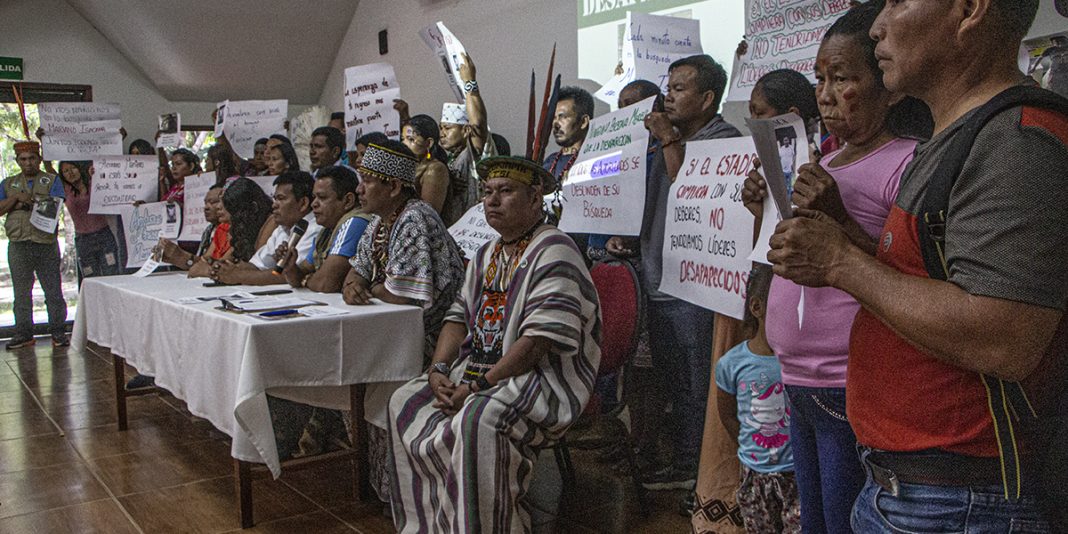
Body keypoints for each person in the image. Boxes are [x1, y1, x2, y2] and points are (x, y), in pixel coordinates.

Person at [769, 0, 1066, 531]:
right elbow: (916, 283)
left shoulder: (1015, 140)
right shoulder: (958, 139)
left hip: (958, 498)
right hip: (916, 485)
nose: (880, 25)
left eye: (898, 2)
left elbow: (1004, 338)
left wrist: (839, 259)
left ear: (970, 10)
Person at [745, 7, 931, 529]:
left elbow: (911, 278)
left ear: (889, 87)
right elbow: (783, 253)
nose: (824, 94)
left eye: (843, 78)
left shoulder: (906, 162)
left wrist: (839, 218)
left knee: (843, 518)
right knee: (816, 521)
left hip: (847, 380)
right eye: (820, 79)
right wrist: (760, 212)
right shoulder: (821, 163)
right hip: (797, 378)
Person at [388, 155, 600, 533]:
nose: (492, 201)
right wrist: (438, 370)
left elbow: (536, 344)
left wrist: (477, 386)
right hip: (478, 372)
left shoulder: (556, 250)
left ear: (535, 200)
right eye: (487, 192)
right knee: (404, 400)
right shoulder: (488, 253)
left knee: (478, 419)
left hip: (541, 377)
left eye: (506, 192)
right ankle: (438, 525)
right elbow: (457, 317)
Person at [622, 55, 741, 492]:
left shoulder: (723, 137)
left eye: (680, 88)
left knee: (698, 386)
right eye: (667, 86)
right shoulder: (660, 141)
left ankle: (698, 472)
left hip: (696, 288)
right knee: (672, 382)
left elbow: (689, 192)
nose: (668, 95)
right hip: (657, 278)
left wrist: (669, 138)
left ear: (708, 98)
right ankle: (682, 461)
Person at [342, 140, 465, 506]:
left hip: (437, 340)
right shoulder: (379, 223)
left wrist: (372, 287)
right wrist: (356, 287)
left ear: (394, 186)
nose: (359, 188)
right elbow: (354, 278)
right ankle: (382, 485)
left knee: (371, 380)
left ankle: (406, 494)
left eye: (367, 180)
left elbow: (405, 295)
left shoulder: (416, 216)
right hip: (394, 333)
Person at [716, 265, 800, 534]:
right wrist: (751, 450)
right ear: (757, 307)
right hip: (755, 474)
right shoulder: (732, 364)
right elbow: (727, 414)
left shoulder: (797, 361)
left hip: (796, 474)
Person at [0, 141, 68, 349]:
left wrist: (21, 203)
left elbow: (54, 205)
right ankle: (23, 334)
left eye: (32, 158)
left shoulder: (51, 180)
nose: (28, 163)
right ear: (17, 161)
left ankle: (58, 332)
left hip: (45, 243)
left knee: (53, 291)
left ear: (38, 159)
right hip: (19, 244)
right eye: (23, 159)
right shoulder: (8, 183)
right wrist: (17, 199)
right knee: (21, 293)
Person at [212, 171, 323, 285]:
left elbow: (288, 275)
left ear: (303, 203)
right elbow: (258, 265)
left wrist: (238, 276)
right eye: (274, 199)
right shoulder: (282, 229)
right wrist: (226, 269)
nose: (274, 205)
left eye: (281, 198)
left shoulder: (315, 228)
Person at [279, 165, 368, 293]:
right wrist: (290, 267)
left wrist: (307, 279)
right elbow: (299, 276)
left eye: (322, 197)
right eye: (314, 197)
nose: (313, 204)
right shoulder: (326, 230)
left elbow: (325, 284)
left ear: (348, 201)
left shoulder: (355, 222)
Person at [437, 53, 494, 217]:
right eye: (441, 128)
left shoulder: (473, 151)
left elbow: (478, 123)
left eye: (448, 128)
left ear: (466, 130)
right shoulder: (448, 159)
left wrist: (469, 82)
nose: (442, 133)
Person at [57, 161, 121, 281]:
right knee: (90, 278)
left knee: (111, 274)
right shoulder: (65, 190)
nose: (70, 173)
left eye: (73, 168)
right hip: (83, 240)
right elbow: (49, 171)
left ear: (79, 168)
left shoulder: (94, 182)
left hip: (104, 237)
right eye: (66, 171)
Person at [400, 115, 451, 217]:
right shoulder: (410, 166)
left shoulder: (435, 169)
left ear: (428, 143)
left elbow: (428, 215)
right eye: (403, 139)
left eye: (411, 139)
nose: (404, 144)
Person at [543, 86, 593, 185]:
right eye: (553, 118)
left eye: (563, 117)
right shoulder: (549, 162)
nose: (555, 124)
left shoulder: (595, 161)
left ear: (583, 122)